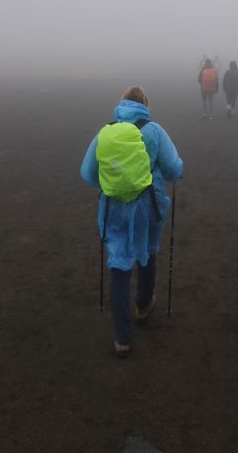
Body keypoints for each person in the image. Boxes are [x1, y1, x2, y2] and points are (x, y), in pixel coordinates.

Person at [80, 85, 183, 357]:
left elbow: (88, 173)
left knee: (119, 261)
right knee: (148, 250)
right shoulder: (154, 131)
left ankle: (122, 337)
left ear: (121, 104)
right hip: (150, 204)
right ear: (145, 105)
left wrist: (112, 183)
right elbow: (173, 170)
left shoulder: (106, 132)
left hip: (114, 206)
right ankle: (143, 304)